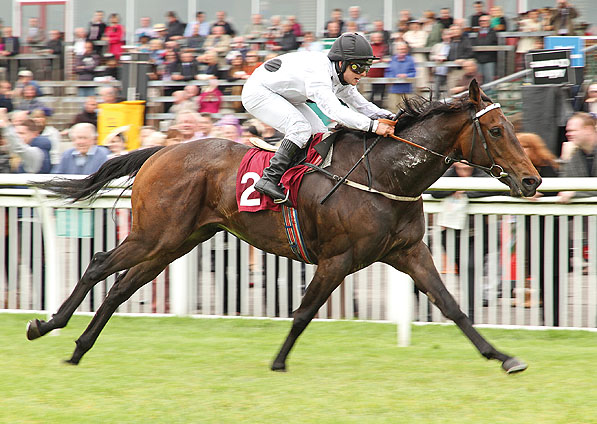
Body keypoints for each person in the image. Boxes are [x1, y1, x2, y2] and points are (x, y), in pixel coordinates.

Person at [241, 32, 395, 204]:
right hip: (258, 92)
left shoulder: (341, 77)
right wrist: (373, 126)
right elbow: (334, 111)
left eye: (366, 68)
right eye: (358, 68)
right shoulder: (319, 73)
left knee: (320, 134)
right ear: (341, 63)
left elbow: (362, 105)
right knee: (300, 128)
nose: (364, 73)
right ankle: (269, 178)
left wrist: (390, 117)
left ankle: (298, 178)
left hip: (284, 95)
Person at [558, 113, 597, 203]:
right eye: (567, 131)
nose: (568, 134)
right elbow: (563, 187)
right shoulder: (573, 153)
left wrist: (575, 193)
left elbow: (570, 192)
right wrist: (565, 160)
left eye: (572, 130)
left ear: (588, 129)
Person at [384, 42, 416, 110]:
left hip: (407, 90)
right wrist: (392, 79)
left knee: (407, 110)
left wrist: (406, 75)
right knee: (393, 109)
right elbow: (388, 72)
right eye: (400, 49)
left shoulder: (410, 60)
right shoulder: (393, 59)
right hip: (394, 89)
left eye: (404, 49)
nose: (402, 51)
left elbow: (414, 73)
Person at [472, 15, 498, 85]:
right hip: (479, 59)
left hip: (489, 59)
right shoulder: (478, 32)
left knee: (489, 80)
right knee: (479, 80)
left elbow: (488, 42)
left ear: (489, 22)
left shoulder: (493, 32)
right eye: (481, 21)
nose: (482, 22)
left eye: (484, 21)